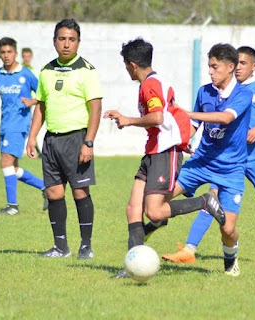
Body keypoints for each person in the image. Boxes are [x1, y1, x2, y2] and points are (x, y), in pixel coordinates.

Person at [161, 46, 255, 265]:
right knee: (212, 199)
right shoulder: (222, 92)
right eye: (236, 63)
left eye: (243, 63)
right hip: (229, 161)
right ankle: (190, 249)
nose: (239, 68)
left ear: (254, 67)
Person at [104, 38, 228, 278]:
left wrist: (128, 120)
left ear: (132, 64)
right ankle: (132, 266)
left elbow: (158, 117)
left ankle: (204, 202)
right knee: (133, 209)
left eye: (125, 65)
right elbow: (174, 114)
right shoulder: (155, 82)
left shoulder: (150, 85)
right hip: (154, 151)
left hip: (163, 152)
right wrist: (182, 141)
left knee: (156, 212)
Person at [25, 19, 101, 259]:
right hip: (51, 141)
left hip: (76, 139)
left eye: (71, 39)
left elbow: (96, 108)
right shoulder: (46, 71)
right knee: (54, 194)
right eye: (62, 39)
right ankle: (60, 247)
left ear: (78, 42)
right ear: (54, 41)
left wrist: (88, 142)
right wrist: (32, 137)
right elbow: (41, 106)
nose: (66, 44)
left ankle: (86, 247)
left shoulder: (87, 71)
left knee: (80, 192)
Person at [0, 37, 46, 215]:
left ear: (15, 53)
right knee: (12, 168)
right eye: (3, 53)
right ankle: (45, 187)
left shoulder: (25, 74)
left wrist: (32, 101)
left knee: (5, 162)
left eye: (10, 52)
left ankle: (12, 207)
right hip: (5, 126)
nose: (7, 56)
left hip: (19, 125)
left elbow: (43, 94)